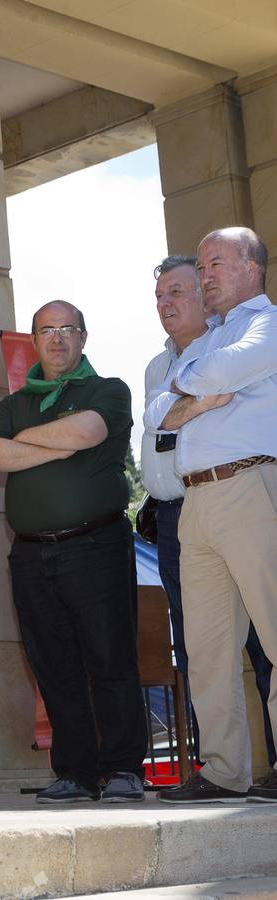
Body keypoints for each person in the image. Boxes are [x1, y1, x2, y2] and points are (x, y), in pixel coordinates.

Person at [0, 300, 146, 803]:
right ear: (34, 341)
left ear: (84, 337)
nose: (57, 338)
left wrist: (22, 446)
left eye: (67, 329)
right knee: (54, 666)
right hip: (30, 555)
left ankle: (121, 769)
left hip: (96, 546)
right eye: (47, 330)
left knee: (110, 659)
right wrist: (55, 443)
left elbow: (89, 431)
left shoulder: (108, 390)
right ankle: (74, 771)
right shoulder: (14, 404)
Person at [149, 227, 277, 805]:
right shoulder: (208, 340)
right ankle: (224, 769)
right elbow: (157, 413)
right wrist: (197, 398)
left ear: (252, 267)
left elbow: (218, 375)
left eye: (216, 262)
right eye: (201, 265)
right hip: (194, 502)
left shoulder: (267, 325)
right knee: (205, 648)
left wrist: (192, 394)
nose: (206, 275)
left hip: (252, 486)